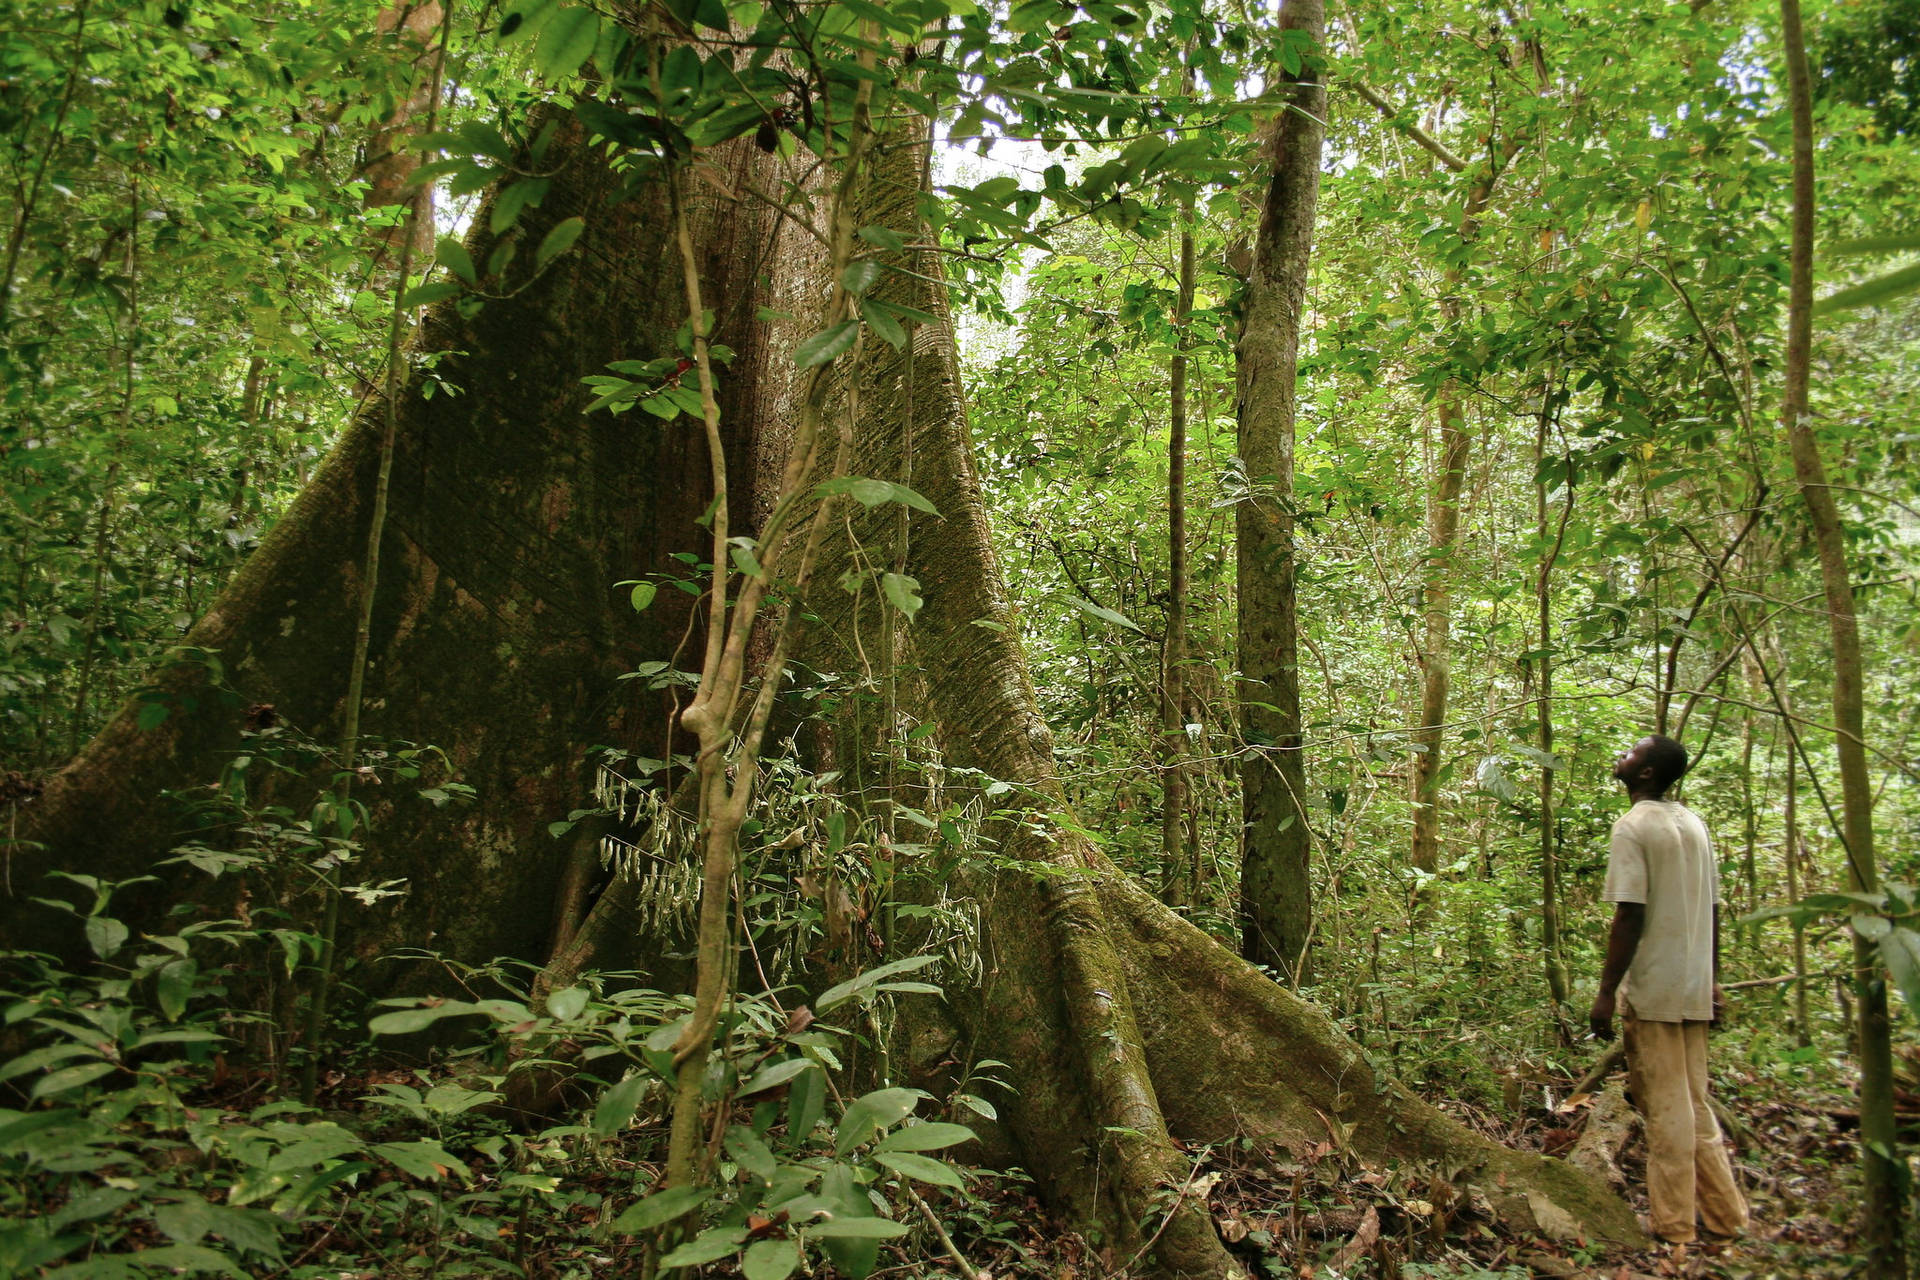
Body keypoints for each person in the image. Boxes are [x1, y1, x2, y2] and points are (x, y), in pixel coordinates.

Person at [1588, 734, 1749, 1249]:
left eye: (1631, 752)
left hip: (1657, 989)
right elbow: (1713, 910)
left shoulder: (1633, 827)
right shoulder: (1694, 823)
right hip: (1694, 986)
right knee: (1696, 1104)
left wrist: (1607, 991)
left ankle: (1674, 1226)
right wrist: (1713, 977)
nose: (1622, 754)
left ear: (1646, 775)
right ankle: (1727, 1219)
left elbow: (1629, 914)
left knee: (1668, 1110)